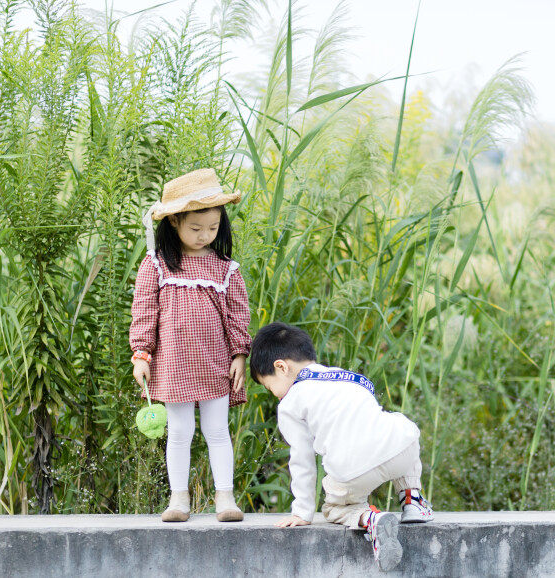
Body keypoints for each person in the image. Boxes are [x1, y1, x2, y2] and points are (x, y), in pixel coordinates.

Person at [249, 322, 434, 572]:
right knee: (402, 429)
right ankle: (413, 502)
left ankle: (371, 519)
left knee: (333, 508)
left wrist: (302, 512)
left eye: (270, 388)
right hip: (398, 451)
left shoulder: (290, 403)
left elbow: (301, 459)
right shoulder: (347, 377)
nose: (276, 396)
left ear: (281, 367)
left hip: (352, 473)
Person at [129, 168, 251, 523]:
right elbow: (143, 311)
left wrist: (240, 354)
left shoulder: (225, 269)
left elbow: (237, 315)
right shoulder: (157, 265)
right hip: (172, 364)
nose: (204, 236)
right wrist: (141, 354)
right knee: (180, 432)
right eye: (195, 229)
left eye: (212, 229)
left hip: (215, 363)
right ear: (174, 223)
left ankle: (225, 497)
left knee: (218, 431)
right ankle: (179, 499)